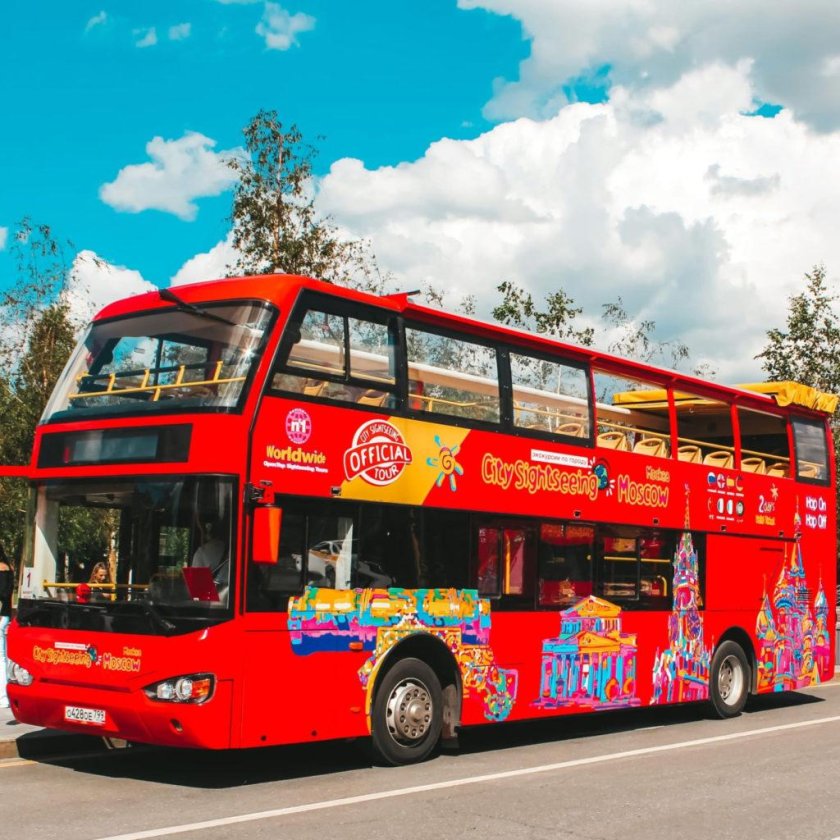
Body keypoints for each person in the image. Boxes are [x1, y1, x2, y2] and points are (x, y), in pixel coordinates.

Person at [192, 518, 229, 590]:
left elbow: (196, 584)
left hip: (213, 595)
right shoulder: (231, 549)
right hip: (230, 593)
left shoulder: (201, 552)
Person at [0, 545, 13, 708]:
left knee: (1, 656)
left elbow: (2, 594)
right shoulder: (8, 569)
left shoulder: (2, 570)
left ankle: (3, 695)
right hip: (5, 615)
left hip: (1, 615)